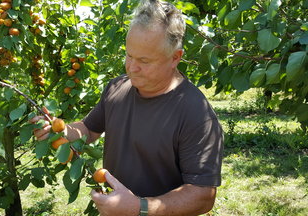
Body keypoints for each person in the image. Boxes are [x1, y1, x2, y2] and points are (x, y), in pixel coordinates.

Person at [31, 0, 224, 215]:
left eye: (144, 60)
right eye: (129, 55)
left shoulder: (196, 114)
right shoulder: (117, 87)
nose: (132, 68)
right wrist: (60, 130)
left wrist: (140, 208)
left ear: (175, 58)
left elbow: (203, 196)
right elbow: (89, 128)